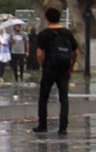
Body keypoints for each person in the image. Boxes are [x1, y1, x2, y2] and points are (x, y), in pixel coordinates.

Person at [33, 7, 78, 135]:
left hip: (49, 68)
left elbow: (39, 53)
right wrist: (72, 65)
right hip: (64, 68)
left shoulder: (44, 34)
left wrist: (42, 65)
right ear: (59, 18)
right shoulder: (67, 33)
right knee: (63, 98)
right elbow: (76, 52)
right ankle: (63, 127)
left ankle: (42, 125)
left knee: (43, 97)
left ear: (46, 19)